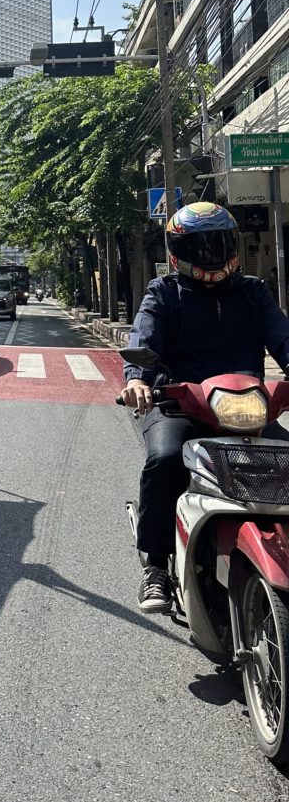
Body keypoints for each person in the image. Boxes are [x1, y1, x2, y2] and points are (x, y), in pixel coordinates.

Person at [119, 202, 289, 613]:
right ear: (179, 251)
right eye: (200, 246)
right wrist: (137, 381)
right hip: (178, 405)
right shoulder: (163, 292)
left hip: (247, 407)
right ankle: (156, 566)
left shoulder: (253, 291)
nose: (210, 254)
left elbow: (283, 340)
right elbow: (143, 341)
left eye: (218, 243)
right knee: (163, 460)